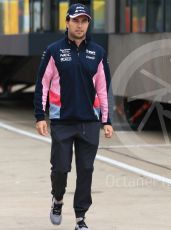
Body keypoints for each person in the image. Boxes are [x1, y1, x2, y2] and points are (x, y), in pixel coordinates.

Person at [34, 3, 113, 230]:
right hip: (62, 121)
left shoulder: (97, 52)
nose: (80, 25)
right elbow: (42, 84)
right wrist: (40, 116)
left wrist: (106, 120)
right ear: (67, 22)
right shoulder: (53, 51)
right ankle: (57, 200)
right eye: (76, 20)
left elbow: (103, 88)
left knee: (86, 170)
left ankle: (80, 218)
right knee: (60, 168)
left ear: (89, 24)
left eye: (84, 21)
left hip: (89, 122)